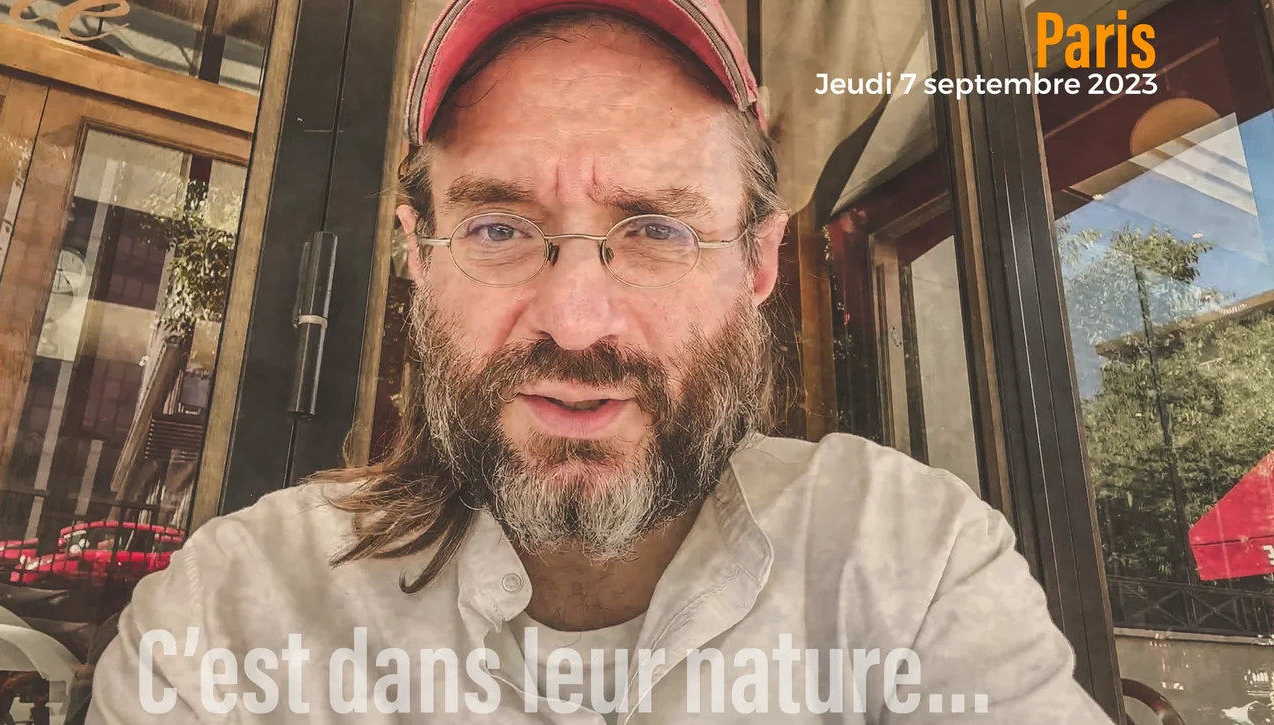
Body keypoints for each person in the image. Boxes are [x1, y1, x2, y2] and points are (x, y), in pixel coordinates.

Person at [88, 1, 1116, 722]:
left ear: (758, 259)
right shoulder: (233, 614)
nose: (577, 322)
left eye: (657, 229)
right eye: (498, 228)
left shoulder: (910, 562)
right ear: (419, 256)